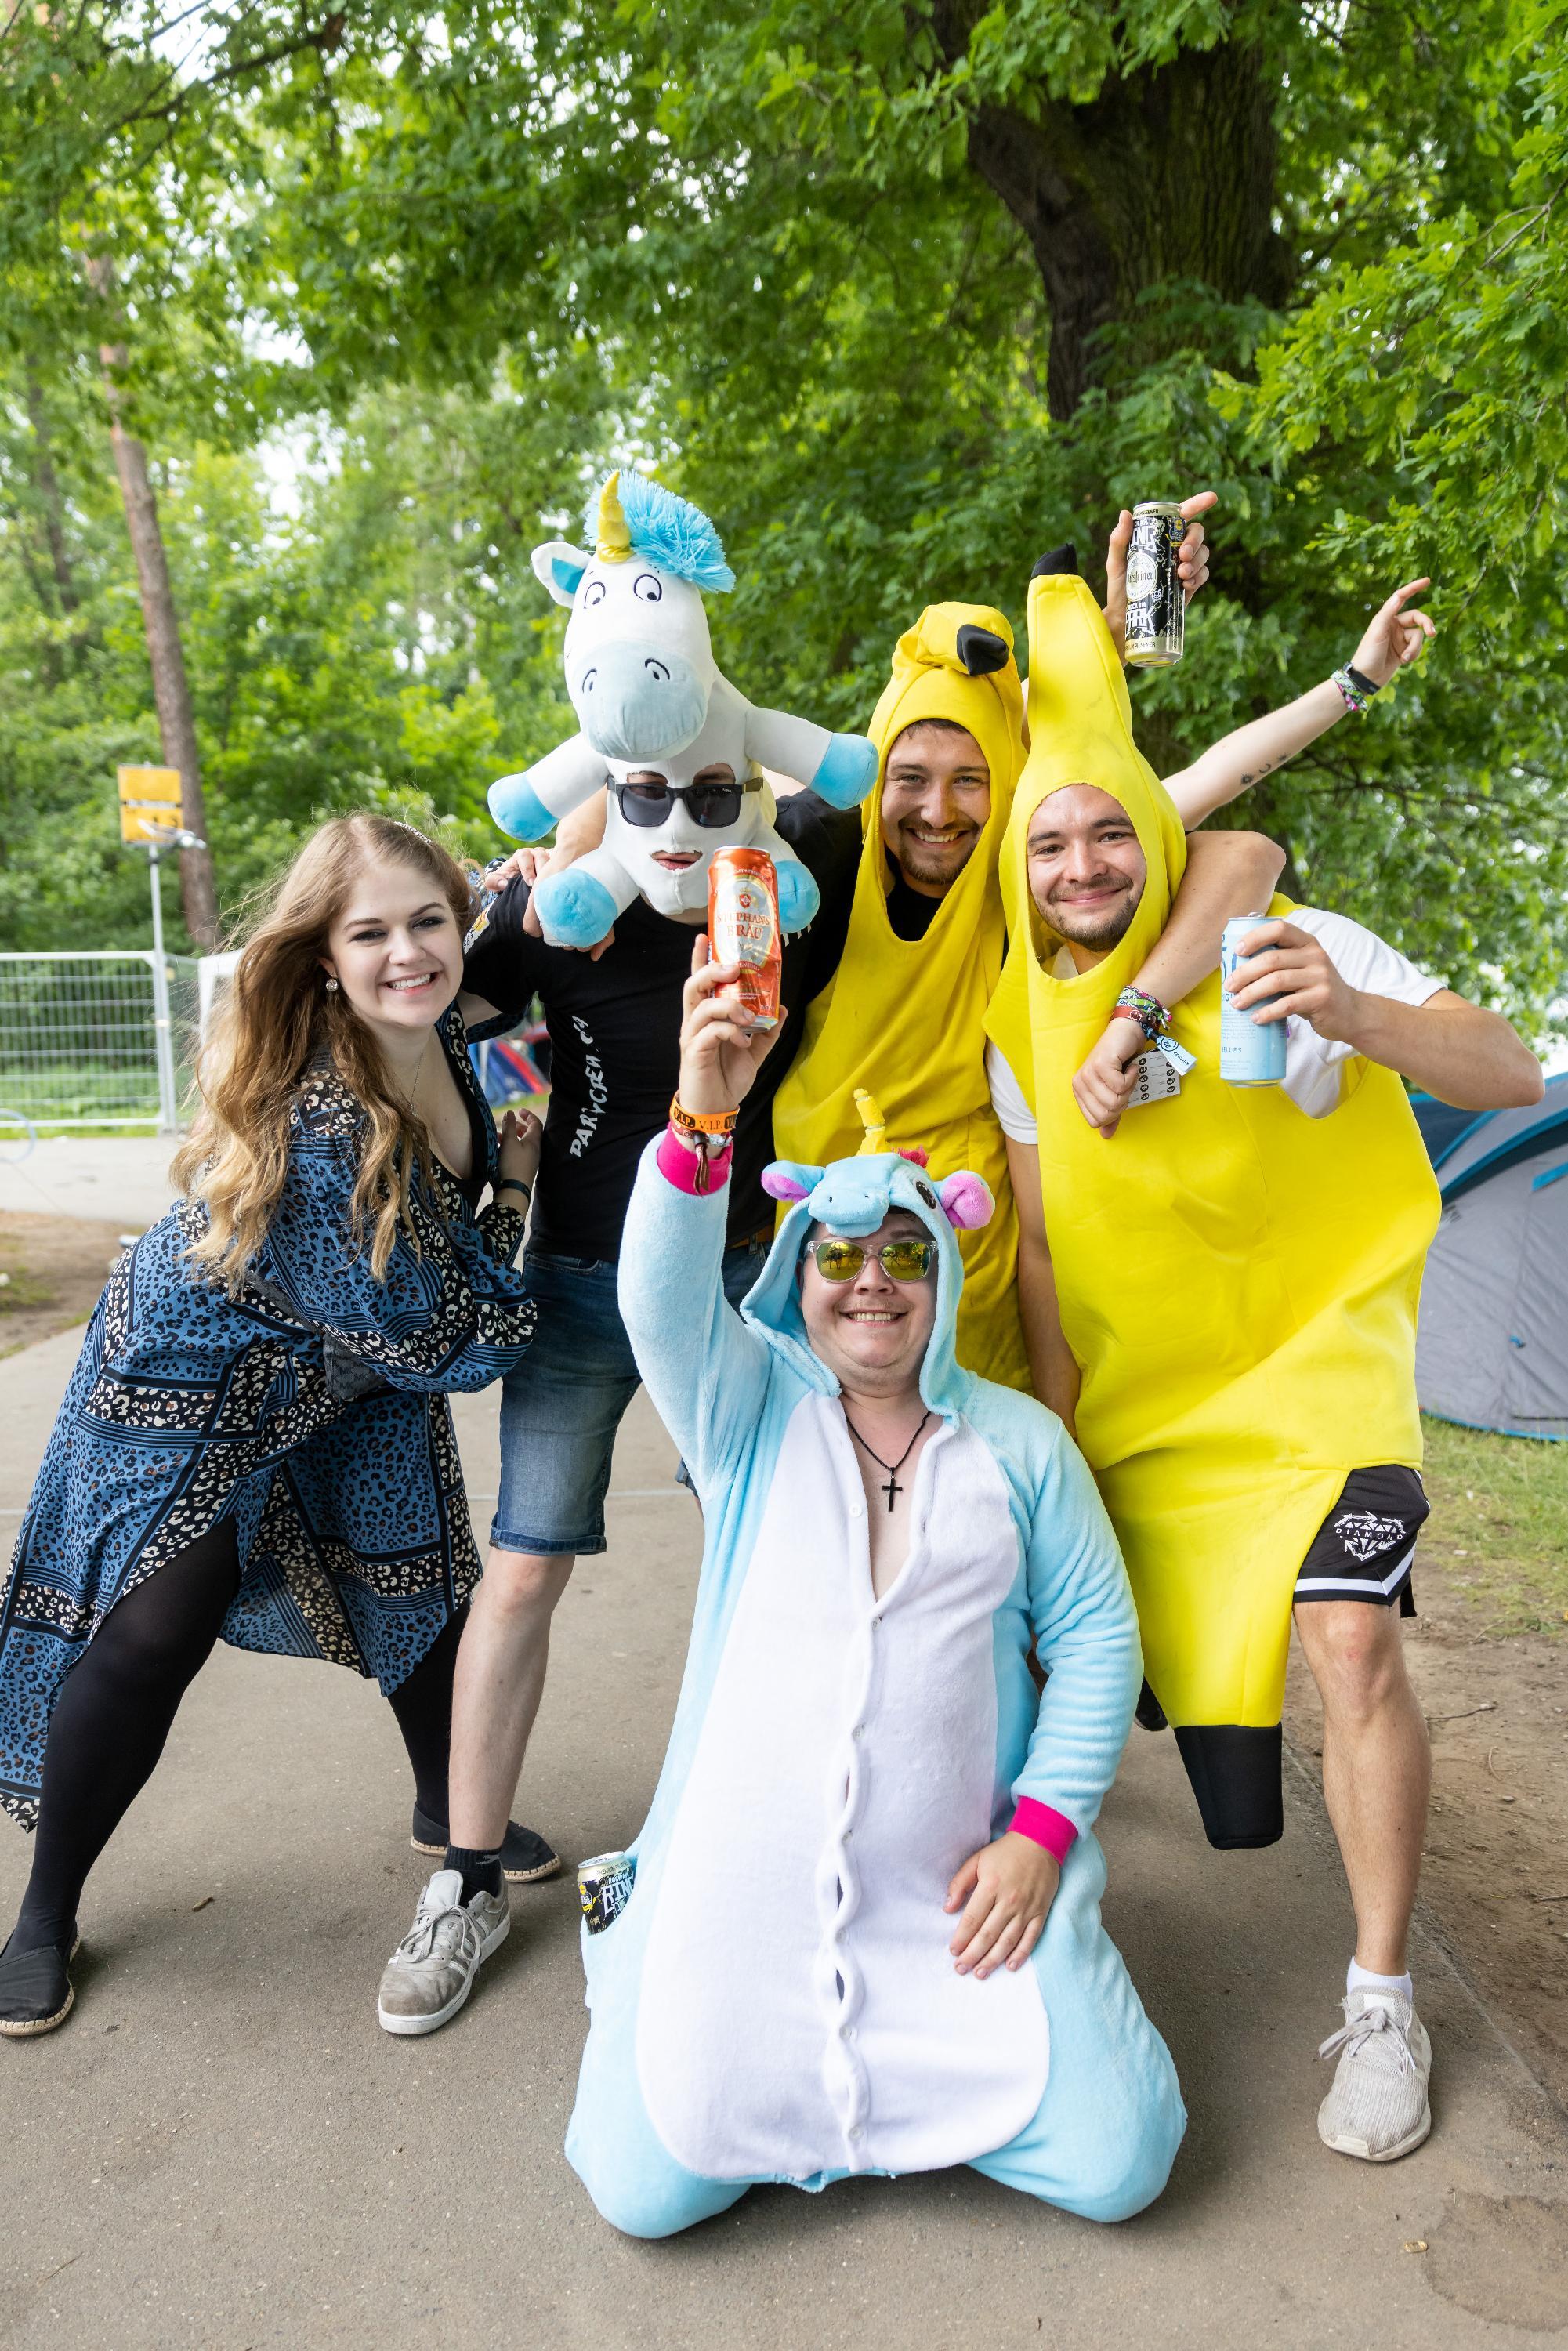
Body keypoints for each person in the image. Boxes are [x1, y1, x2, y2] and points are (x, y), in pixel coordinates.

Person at [376, 495, 1266, 2032]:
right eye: (906, 774)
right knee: (564, 1568)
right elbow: (468, 950)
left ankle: (862, 1836)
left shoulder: (897, 872)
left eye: (960, 779)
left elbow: (1102, 807)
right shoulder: (681, 880)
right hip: (659, 1268)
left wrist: (1133, 630)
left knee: (844, 1567)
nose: (929, 805)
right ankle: (472, 1872)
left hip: (827, 1272)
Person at [983, 568, 1544, 2164]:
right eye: (1051, 842)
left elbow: (1505, 1066)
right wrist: (1054, 1443)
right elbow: (1035, 1250)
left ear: (1145, 846)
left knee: (1345, 1643)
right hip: (1152, 1412)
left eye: (1108, 833)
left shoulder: (1286, 941)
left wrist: (1355, 1010)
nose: (1084, 862)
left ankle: (1380, 2001)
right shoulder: (1018, 1023)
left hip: (1324, 1378)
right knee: (1077, 1671)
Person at [562, 940, 1185, 2237]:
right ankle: (645, 1928)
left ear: (946, 1277)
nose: (871, 1285)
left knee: (1124, 2162)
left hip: (952, 1896)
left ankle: (1059, 1940)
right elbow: (659, 1301)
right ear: (794, 1276)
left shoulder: (1018, 1441)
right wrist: (701, 1107)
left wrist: (1039, 1837)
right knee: (642, 2191)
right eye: (837, 1259)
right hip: (751, 1878)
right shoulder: (746, 1409)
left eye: (904, 1257)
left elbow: (1096, 1641)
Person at [0, 816, 541, 2038]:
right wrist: (511, 1187)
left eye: (429, 921)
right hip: (195, 1379)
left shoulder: (442, 1019)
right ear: (322, 959)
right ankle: (42, 1913)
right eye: (371, 933)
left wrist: (553, 871)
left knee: (415, 1577)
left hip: (340, 1368)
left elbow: (528, 947)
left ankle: (449, 1812)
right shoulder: (327, 1125)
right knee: (154, 1631)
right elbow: (455, 1346)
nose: (409, 952)